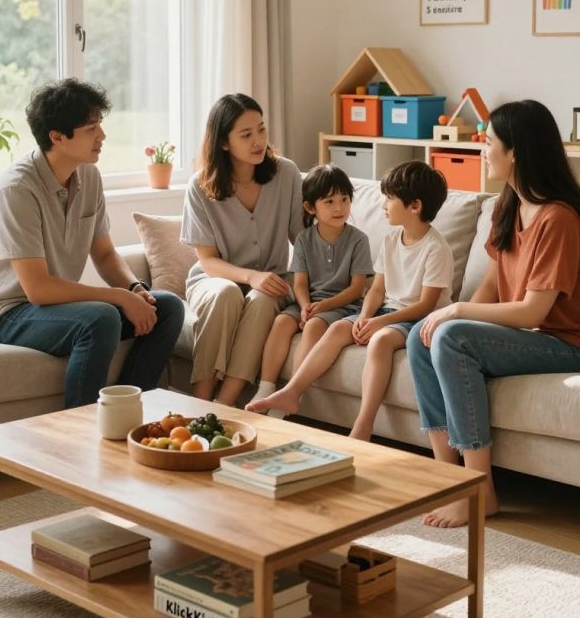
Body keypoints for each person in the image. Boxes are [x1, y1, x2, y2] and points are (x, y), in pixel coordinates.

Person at [406, 100, 580, 528]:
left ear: (515, 151)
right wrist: (447, 315)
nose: (483, 150)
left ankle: (479, 490)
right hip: (529, 336)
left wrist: (458, 312)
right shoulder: (509, 205)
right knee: (422, 335)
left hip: (564, 343)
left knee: (452, 336)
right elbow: (490, 284)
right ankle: (449, 480)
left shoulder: (558, 219)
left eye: (489, 142)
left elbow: (534, 311)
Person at [0, 79, 185, 409]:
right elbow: (37, 289)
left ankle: (127, 412)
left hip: (54, 307)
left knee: (167, 307)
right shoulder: (17, 190)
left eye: (100, 124)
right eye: (91, 128)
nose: (102, 136)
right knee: (100, 318)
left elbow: (106, 254)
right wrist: (119, 297)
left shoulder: (89, 176)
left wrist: (135, 289)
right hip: (11, 312)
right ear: (57, 137)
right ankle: (80, 424)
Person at [247, 160, 453, 437]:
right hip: (386, 310)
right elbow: (377, 290)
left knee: (380, 341)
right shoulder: (391, 241)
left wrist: (380, 323)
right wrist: (365, 316)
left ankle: (363, 424)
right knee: (337, 329)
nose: (383, 205)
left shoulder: (436, 248)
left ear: (414, 206)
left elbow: (426, 305)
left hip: (419, 319)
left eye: (389, 199)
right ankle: (292, 392)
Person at [181, 93, 302, 405]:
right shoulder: (200, 186)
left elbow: (302, 241)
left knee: (263, 299)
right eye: (246, 135)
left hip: (272, 279)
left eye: (261, 129)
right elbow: (208, 261)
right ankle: (199, 403)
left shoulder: (286, 173)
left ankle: (226, 405)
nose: (258, 141)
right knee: (226, 294)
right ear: (223, 142)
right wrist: (251, 276)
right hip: (214, 279)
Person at [248, 164, 373, 411]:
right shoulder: (304, 239)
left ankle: (291, 395)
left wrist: (321, 307)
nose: (339, 208)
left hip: (342, 305)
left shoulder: (359, 240)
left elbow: (356, 290)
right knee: (281, 322)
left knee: (315, 325)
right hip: (309, 302)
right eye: (329, 201)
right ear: (310, 207)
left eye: (344, 199)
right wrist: (305, 306)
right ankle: (266, 388)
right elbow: (300, 283)